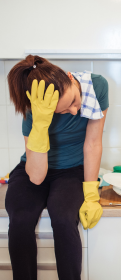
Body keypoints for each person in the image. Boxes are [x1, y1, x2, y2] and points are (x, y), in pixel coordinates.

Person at [5, 55, 108, 280]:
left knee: (63, 218)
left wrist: (91, 194)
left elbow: (92, 144)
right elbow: (37, 176)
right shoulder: (33, 110)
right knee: (20, 219)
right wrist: (41, 123)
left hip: (72, 170)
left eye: (72, 101)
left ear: (70, 78)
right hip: (33, 169)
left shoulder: (97, 86)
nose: (73, 111)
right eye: (61, 111)